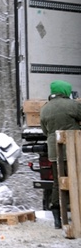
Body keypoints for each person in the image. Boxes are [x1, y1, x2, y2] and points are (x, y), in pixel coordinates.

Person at [40, 80, 81, 229]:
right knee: (77, 180)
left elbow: (45, 131)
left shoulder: (45, 109)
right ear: (65, 91)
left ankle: (58, 218)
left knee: (58, 183)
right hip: (73, 149)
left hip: (55, 151)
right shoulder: (73, 105)